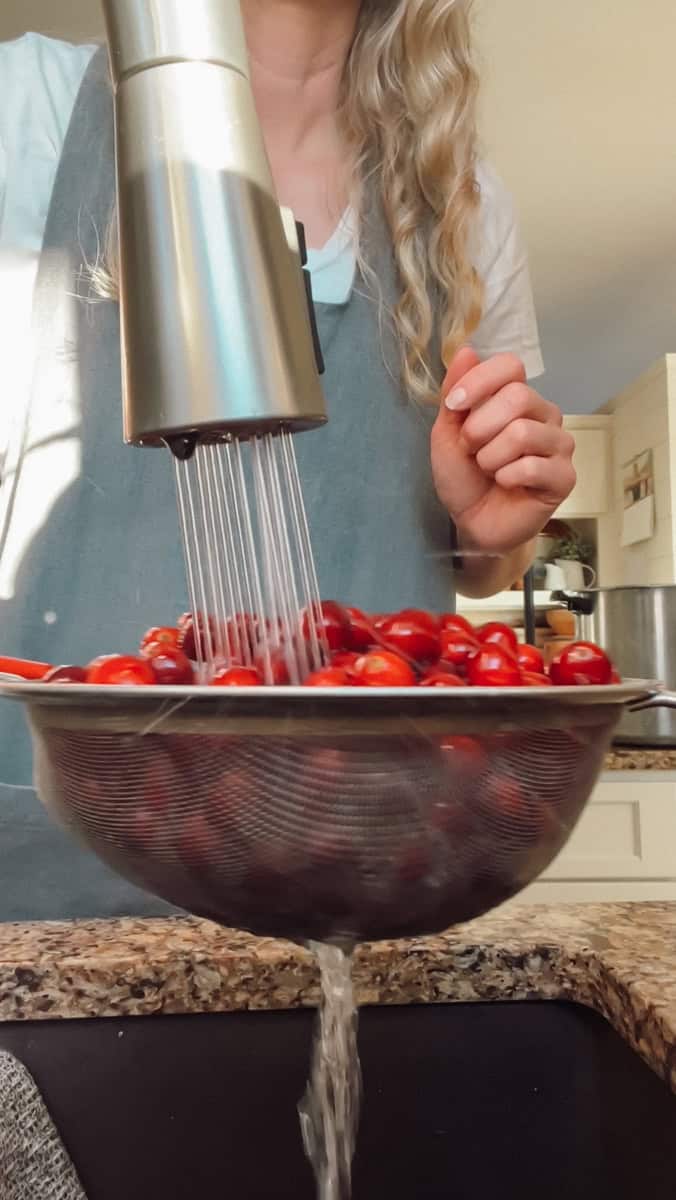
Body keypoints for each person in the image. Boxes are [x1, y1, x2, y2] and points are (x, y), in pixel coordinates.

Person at [0, 1, 575, 922]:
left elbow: (480, 568)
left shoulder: (462, 198)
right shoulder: (26, 109)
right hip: (56, 865)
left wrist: (488, 531)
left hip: (359, 846)